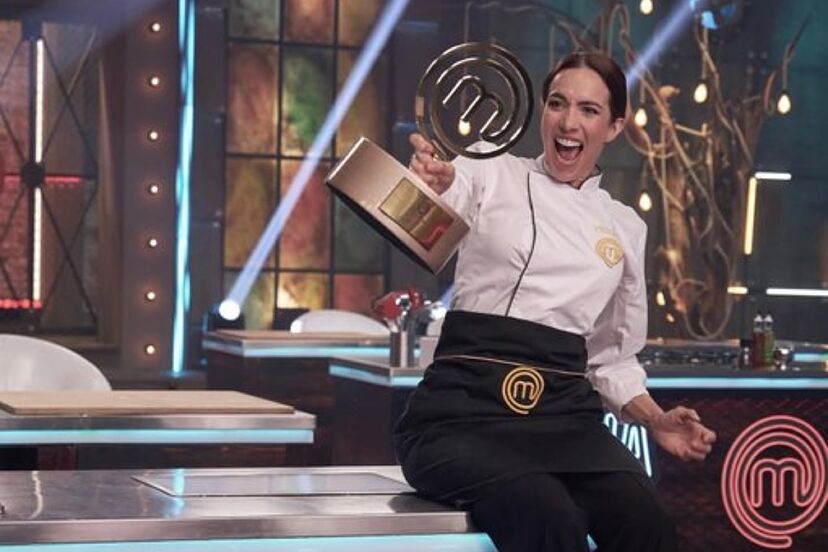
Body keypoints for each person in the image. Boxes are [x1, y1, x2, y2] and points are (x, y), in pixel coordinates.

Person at [394, 51, 717, 552]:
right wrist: (429, 182)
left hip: (564, 421)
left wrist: (655, 419)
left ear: (614, 127)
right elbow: (435, 208)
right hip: (461, 416)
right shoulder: (487, 168)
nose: (568, 122)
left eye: (589, 110)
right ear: (542, 110)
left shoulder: (624, 227)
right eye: (558, 104)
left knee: (647, 521)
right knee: (548, 516)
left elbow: (611, 358)